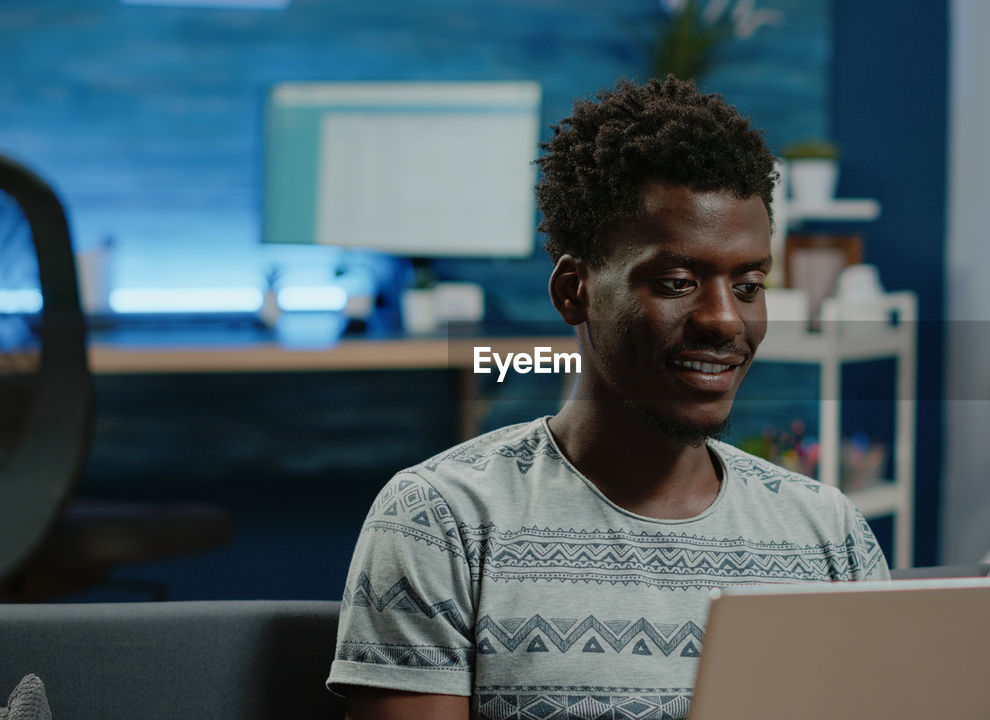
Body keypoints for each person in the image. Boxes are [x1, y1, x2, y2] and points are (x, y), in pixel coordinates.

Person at [327, 76, 889, 720]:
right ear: (574, 290)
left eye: (749, 284)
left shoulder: (827, 531)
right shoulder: (441, 521)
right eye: (678, 281)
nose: (725, 320)